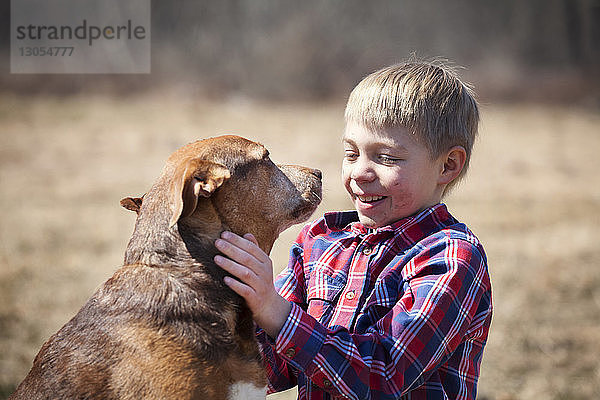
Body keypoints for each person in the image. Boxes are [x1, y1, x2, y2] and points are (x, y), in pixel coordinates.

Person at [214, 61, 493, 400]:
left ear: (447, 165)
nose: (359, 172)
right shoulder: (320, 241)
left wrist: (274, 311)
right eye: (351, 153)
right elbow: (272, 368)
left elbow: (383, 376)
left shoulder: (451, 257)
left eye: (386, 158)